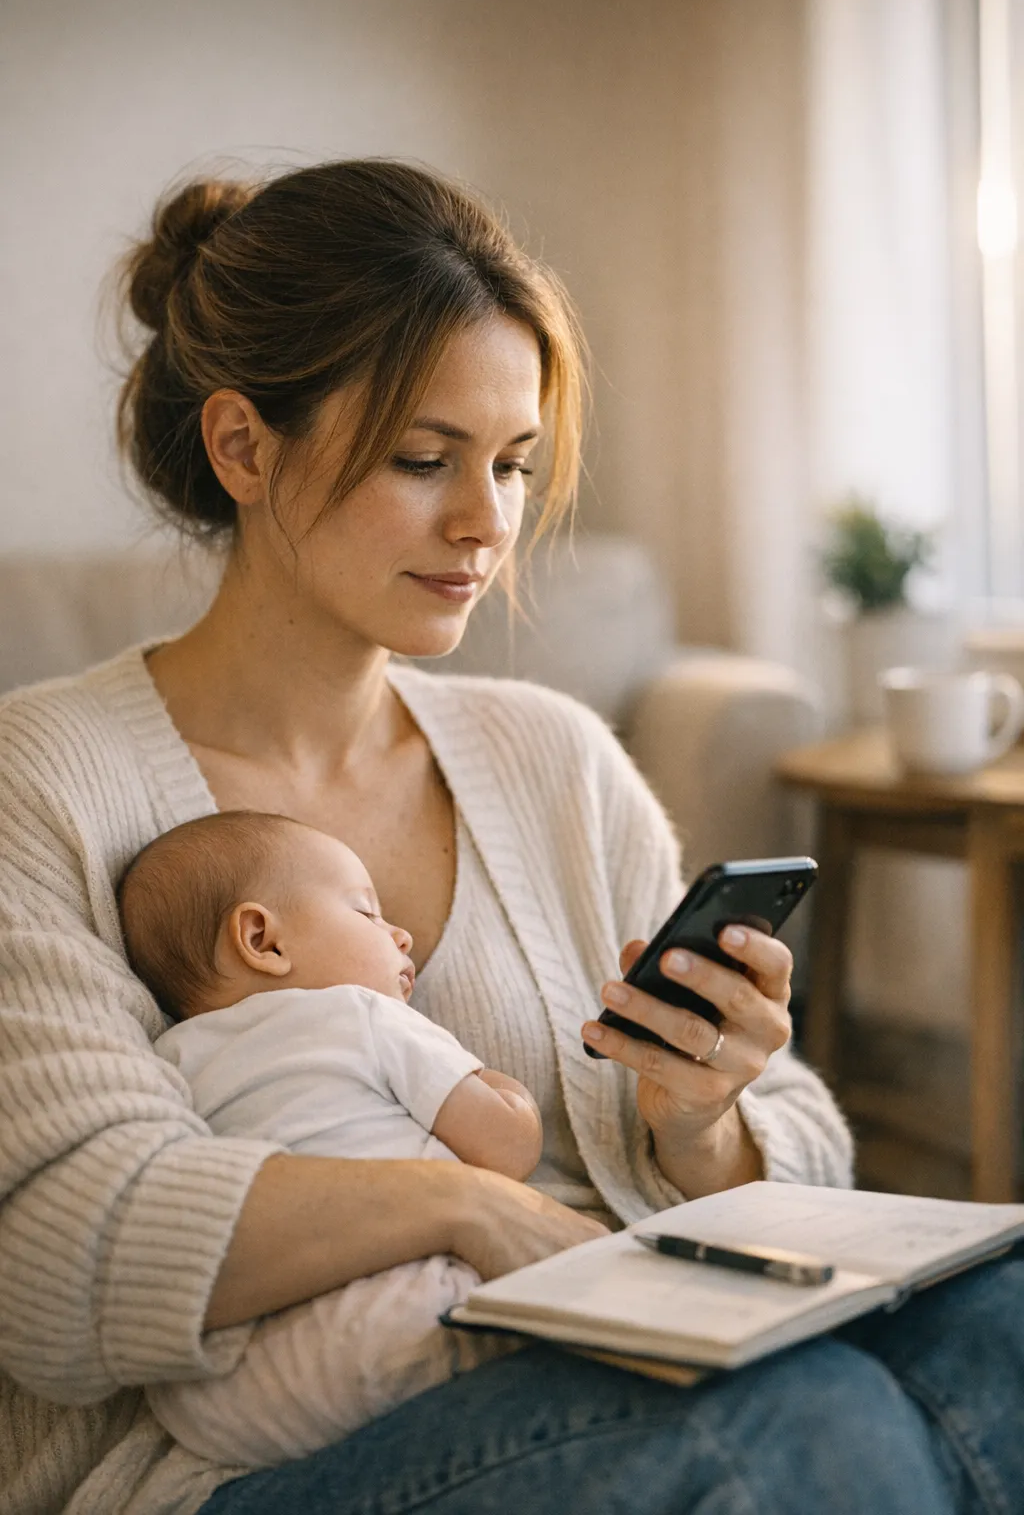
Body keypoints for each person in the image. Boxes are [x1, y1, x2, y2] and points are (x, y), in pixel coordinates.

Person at [0, 157, 1022, 1515]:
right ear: (242, 447)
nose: (486, 524)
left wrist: (700, 1124)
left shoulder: (556, 758)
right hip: (253, 1465)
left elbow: (805, 1149)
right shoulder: (42, 785)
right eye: (424, 461)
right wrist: (467, 1209)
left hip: (618, 1357)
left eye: (513, 465)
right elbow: (57, 1257)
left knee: (1002, 1323)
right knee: (791, 1421)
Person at [118, 808, 537, 1467]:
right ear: (262, 939)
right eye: (366, 913)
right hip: (398, 1312)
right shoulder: (365, 1013)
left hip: (224, 1396)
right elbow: (506, 1150)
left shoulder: (170, 1058)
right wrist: (498, 1084)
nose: (400, 934)